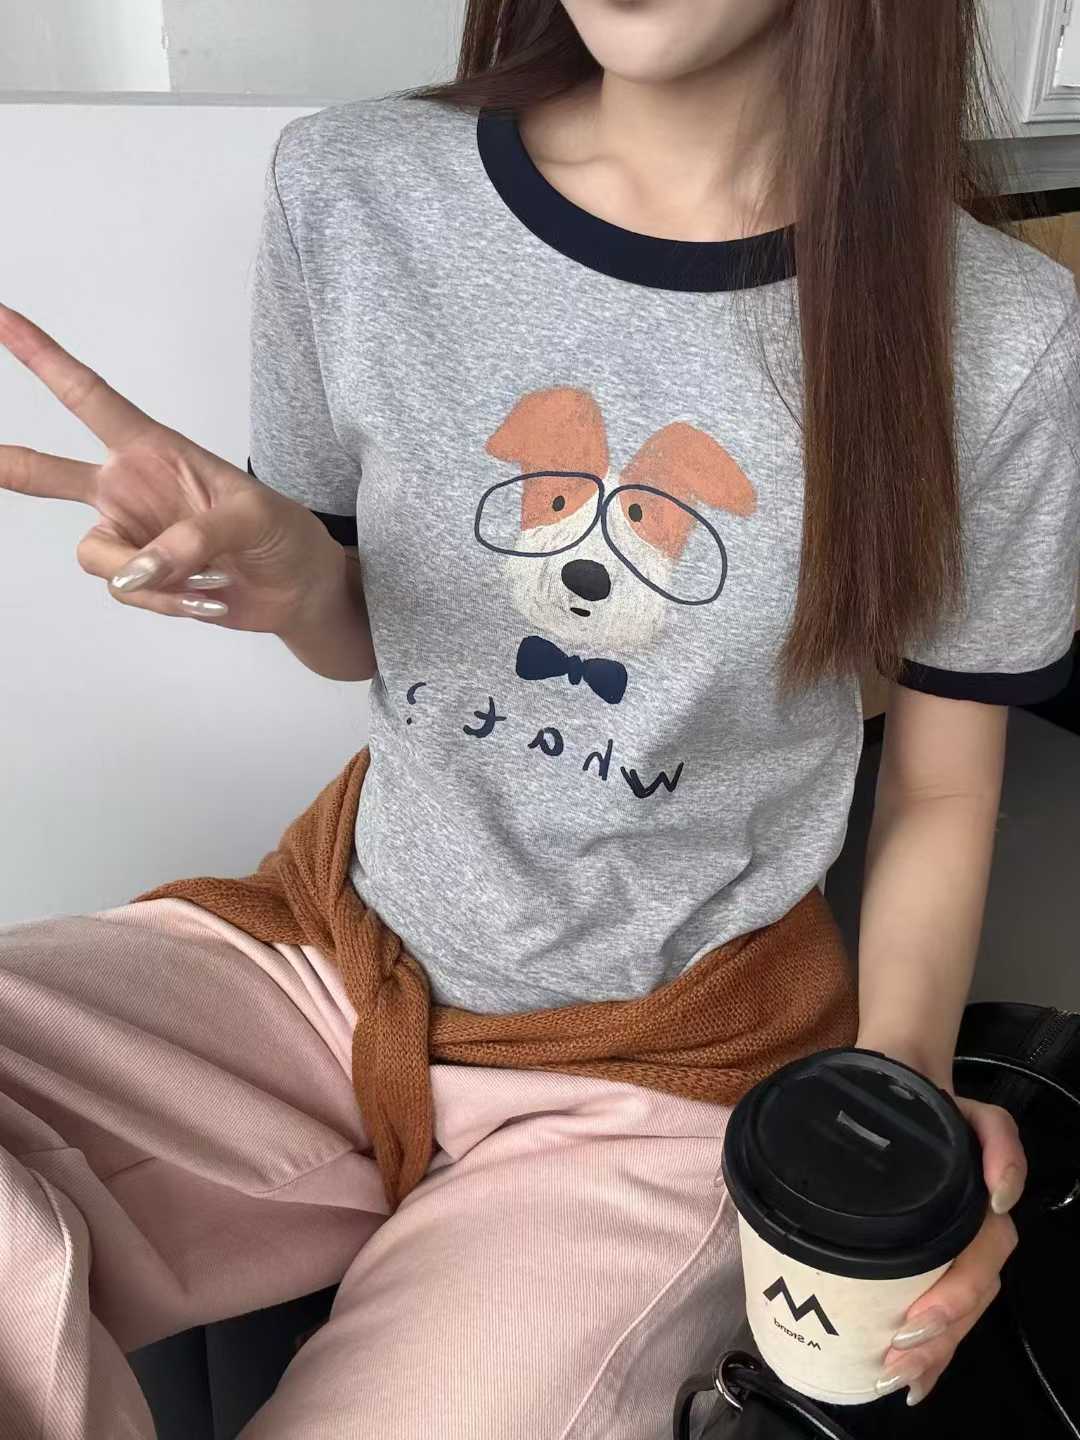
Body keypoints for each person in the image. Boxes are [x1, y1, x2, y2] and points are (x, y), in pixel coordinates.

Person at [1, 1, 1077, 1436]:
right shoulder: (351, 184)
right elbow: (369, 638)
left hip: (666, 1060)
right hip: (324, 949)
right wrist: (304, 585)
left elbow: (942, 788)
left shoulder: (1000, 331)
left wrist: (892, 1104)